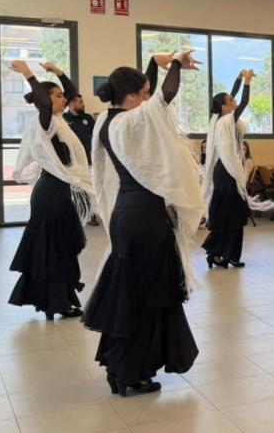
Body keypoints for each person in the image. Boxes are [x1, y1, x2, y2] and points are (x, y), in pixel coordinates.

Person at [83, 51, 203, 397]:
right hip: (146, 220)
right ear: (134, 96)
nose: (149, 98)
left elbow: (149, 99)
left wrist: (153, 62)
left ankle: (123, 368)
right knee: (147, 297)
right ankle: (130, 372)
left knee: (130, 294)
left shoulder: (107, 122)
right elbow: (165, 96)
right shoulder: (130, 122)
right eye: (144, 93)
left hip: (126, 215)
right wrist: (176, 63)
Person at [7, 60, 92, 321]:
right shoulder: (44, 122)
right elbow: (44, 102)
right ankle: (55, 302)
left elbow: (71, 92)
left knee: (61, 249)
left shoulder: (57, 121)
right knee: (53, 250)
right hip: (50, 195)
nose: (64, 100)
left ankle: (60, 301)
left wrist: (59, 73)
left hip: (57, 192)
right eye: (58, 96)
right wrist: (28, 73)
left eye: (63, 96)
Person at [201, 69, 274, 269]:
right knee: (231, 215)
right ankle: (220, 253)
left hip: (223, 171)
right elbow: (244, 102)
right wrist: (248, 82)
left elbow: (232, 96)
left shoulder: (218, 118)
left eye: (232, 100)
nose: (234, 102)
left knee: (231, 215)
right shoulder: (227, 119)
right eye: (230, 101)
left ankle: (227, 255)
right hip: (227, 173)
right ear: (224, 107)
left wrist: (239, 78)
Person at [63, 94, 95, 162]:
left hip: (86, 155)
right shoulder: (63, 118)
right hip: (70, 155)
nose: (83, 105)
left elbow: (94, 134)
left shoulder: (88, 117)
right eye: (80, 102)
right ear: (72, 104)